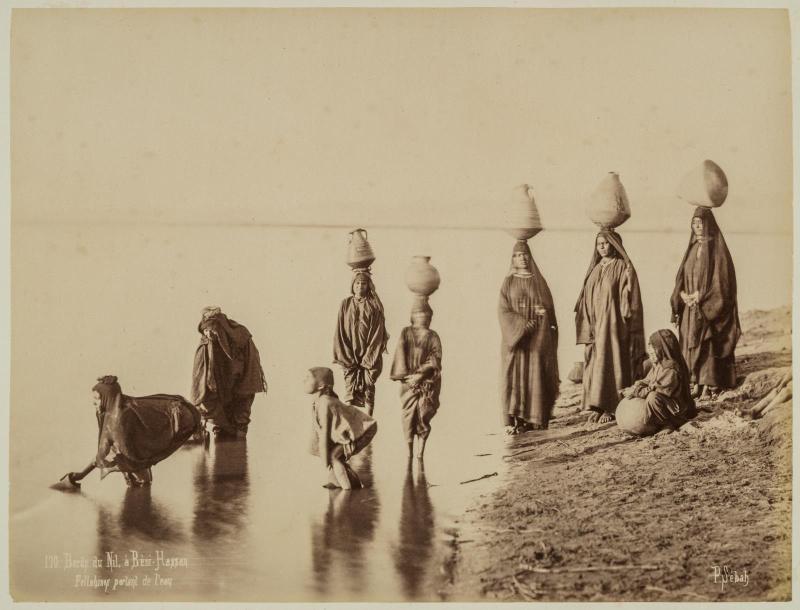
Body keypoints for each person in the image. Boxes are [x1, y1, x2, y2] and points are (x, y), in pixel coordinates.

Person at [61, 375, 201, 488]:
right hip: (145, 446)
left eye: (97, 399)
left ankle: (143, 500)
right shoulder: (123, 405)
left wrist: (80, 475)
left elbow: (109, 452)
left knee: (142, 479)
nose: (94, 403)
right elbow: (113, 449)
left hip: (140, 452)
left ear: (106, 398)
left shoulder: (117, 419)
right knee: (136, 471)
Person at [574, 230, 646, 425]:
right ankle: (597, 406)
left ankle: (613, 406)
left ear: (614, 245)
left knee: (613, 362)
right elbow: (586, 298)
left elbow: (628, 298)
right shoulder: (595, 269)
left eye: (606, 243)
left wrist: (627, 296)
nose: (603, 247)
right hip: (595, 327)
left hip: (614, 325)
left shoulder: (622, 266)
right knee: (596, 364)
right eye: (599, 244)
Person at [670, 207, 741, 400]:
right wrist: (682, 295)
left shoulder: (716, 249)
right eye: (694, 223)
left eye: (700, 222)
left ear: (708, 224)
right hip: (690, 308)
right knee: (689, 344)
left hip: (707, 307)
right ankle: (695, 383)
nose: (697, 226)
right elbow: (681, 278)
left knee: (707, 344)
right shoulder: (692, 248)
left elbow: (722, 281)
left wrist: (701, 296)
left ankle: (709, 384)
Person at [498, 240, 559, 435]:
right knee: (516, 377)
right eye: (517, 255)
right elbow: (503, 311)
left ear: (530, 256)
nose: (521, 258)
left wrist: (541, 318)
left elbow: (547, 309)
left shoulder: (538, 281)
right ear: (512, 258)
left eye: (524, 254)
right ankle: (519, 420)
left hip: (538, 337)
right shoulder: (508, 283)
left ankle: (537, 418)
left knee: (536, 374)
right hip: (516, 340)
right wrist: (523, 325)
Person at [191, 306, 267, 439]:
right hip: (219, 398)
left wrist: (241, 423)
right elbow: (200, 383)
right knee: (221, 436)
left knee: (239, 435)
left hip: (241, 391)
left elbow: (250, 375)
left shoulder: (242, 338)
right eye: (206, 331)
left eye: (212, 330)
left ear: (221, 328)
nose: (209, 334)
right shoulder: (206, 344)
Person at [305, 367, 378, 490]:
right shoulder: (319, 401)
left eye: (308, 378)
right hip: (355, 430)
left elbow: (324, 434)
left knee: (333, 457)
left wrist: (325, 460)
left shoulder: (324, 403)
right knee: (335, 456)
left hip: (364, 430)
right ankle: (343, 482)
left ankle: (347, 489)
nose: (304, 381)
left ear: (321, 386)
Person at [390, 298, 442, 459]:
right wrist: (408, 377)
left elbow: (436, 358)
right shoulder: (406, 332)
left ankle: (420, 452)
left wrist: (420, 374)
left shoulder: (433, 336)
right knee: (408, 416)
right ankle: (409, 451)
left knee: (423, 415)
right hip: (408, 383)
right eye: (419, 314)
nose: (423, 317)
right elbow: (400, 355)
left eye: (426, 314)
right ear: (413, 315)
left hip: (428, 383)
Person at [333, 269, 389, 416]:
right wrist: (346, 354)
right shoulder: (345, 304)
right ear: (352, 285)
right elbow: (340, 330)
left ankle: (369, 423)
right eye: (357, 283)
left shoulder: (374, 305)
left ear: (368, 285)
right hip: (349, 353)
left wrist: (369, 357)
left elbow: (378, 333)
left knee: (369, 387)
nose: (360, 286)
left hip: (369, 354)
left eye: (363, 283)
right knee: (349, 388)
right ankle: (350, 427)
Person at [619, 329, 697, 434]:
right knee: (649, 395)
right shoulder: (659, 365)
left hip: (676, 411)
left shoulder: (671, 369)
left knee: (653, 397)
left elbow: (657, 388)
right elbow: (647, 380)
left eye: (653, 348)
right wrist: (635, 386)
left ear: (662, 349)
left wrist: (636, 392)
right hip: (665, 404)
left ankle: (668, 424)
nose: (650, 352)